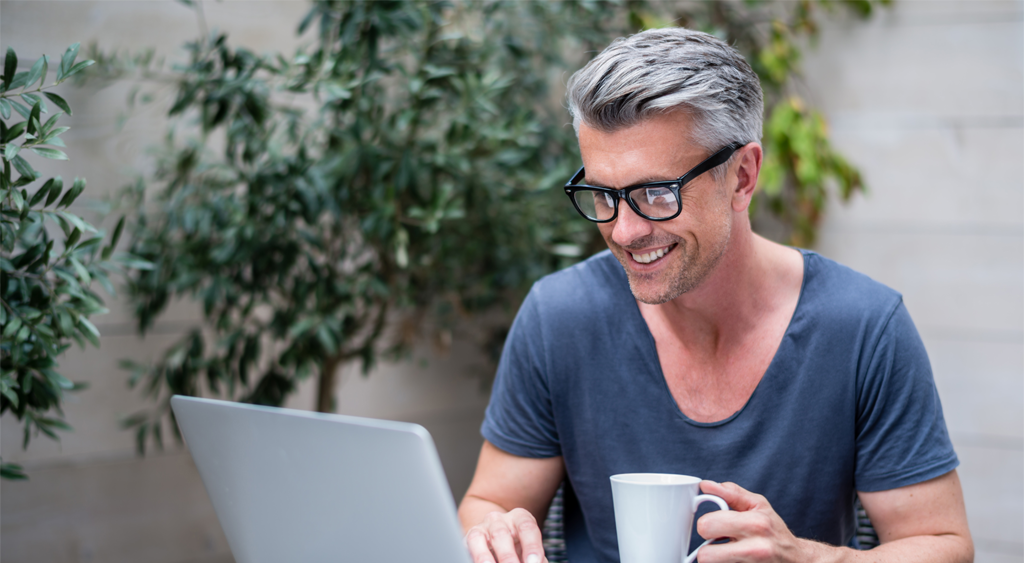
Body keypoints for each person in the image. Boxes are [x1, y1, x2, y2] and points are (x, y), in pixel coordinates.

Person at [457, 27, 972, 563]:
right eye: (602, 194)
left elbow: (943, 547)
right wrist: (497, 532)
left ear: (743, 177)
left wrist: (811, 558)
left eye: (656, 193)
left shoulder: (865, 327)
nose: (625, 232)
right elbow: (490, 501)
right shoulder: (558, 316)